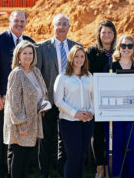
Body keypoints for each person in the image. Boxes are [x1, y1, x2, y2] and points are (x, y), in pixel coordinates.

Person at [0, 10, 34, 178]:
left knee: (18, 139)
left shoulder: (29, 42)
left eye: (22, 21)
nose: (19, 24)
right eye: (16, 21)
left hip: (23, 103)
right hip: (3, 100)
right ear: (10, 21)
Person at [36, 14, 80, 178]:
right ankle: (44, 173)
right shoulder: (40, 47)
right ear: (52, 27)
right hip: (48, 101)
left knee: (65, 139)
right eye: (58, 24)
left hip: (70, 102)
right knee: (46, 138)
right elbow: (38, 75)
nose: (61, 27)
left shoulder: (77, 47)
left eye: (64, 24)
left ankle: (64, 172)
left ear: (69, 27)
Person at [3, 41, 48, 178]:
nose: (28, 56)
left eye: (30, 53)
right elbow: (14, 102)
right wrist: (21, 124)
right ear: (18, 55)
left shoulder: (36, 71)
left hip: (33, 122)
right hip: (20, 124)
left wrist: (44, 104)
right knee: (19, 158)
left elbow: (44, 91)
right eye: (25, 53)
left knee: (27, 159)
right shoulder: (16, 74)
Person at [104, 35, 134, 178]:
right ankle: (117, 175)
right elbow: (104, 87)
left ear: (133, 48)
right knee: (117, 146)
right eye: (123, 46)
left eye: (130, 46)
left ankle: (131, 175)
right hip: (115, 114)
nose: (126, 49)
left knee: (132, 145)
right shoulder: (111, 65)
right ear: (119, 48)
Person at [54, 45, 94, 178]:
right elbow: (58, 101)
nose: (79, 59)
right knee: (73, 156)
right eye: (76, 56)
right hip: (69, 122)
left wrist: (91, 112)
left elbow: (95, 97)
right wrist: (75, 113)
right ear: (71, 58)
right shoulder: (63, 77)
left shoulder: (89, 76)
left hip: (87, 121)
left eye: (82, 56)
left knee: (82, 156)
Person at [86, 20, 117, 178]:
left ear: (114, 35)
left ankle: (111, 167)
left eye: (109, 32)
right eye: (104, 32)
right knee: (97, 134)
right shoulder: (92, 51)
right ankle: (100, 167)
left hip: (116, 100)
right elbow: (87, 74)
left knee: (112, 134)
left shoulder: (118, 51)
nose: (106, 35)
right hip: (97, 99)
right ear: (99, 34)